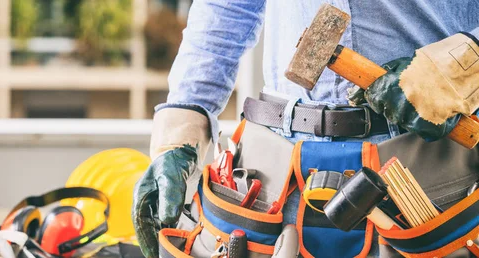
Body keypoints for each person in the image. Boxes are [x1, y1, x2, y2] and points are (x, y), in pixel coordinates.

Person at [132, 1, 479, 257]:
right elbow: (227, 6)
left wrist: (455, 68)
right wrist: (181, 129)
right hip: (274, 172)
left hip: (425, 167)